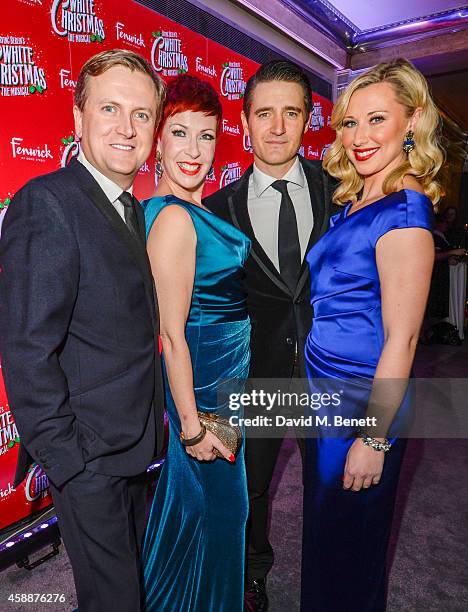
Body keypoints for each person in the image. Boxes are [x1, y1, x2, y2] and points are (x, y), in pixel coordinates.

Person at [0, 49, 166, 612]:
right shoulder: (46, 203)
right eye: (110, 109)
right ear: (77, 117)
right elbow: (26, 349)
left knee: (129, 586)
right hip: (89, 458)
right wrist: (69, 462)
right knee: (115, 599)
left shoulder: (132, 209)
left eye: (141, 115)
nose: (126, 128)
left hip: (136, 448)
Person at [301, 58, 443, 611]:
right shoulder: (358, 199)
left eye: (376, 120)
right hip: (321, 394)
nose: (359, 138)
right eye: (349, 123)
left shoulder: (405, 212)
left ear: (412, 121)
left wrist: (374, 438)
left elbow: (402, 340)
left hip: (362, 404)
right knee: (325, 535)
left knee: (349, 549)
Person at [205, 60, 338, 610]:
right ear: (244, 120)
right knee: (252, 490)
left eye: (291, 112)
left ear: (309, 119)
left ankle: (331, 575)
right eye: (265, 113)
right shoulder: (217, 209)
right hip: (256, 375)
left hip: (330, 373)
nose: (278, 127)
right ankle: (253, 571)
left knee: (333, 487)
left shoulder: (344, 193)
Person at [140, 75, 251, 612]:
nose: (193, 150)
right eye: (179, 133)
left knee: (196, 519)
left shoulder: (191, 211)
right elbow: (171, 335)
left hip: (224, 391)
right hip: (204, 400)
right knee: (224, 518)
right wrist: (191, 427)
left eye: (206, 136)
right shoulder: (176, 219)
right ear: (157, 139)